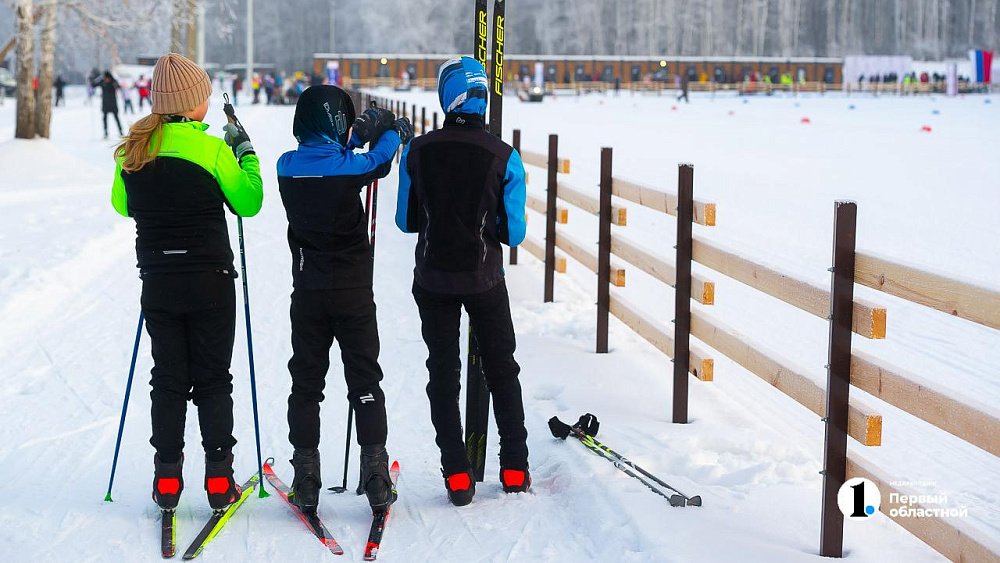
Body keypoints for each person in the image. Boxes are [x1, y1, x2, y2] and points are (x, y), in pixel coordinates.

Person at [110, 52, 263, 512]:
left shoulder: (131, 152)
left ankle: (168, 480)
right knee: (214, 379)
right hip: (211, 281)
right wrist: (246, 154)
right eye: (205, 97)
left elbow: (123, 206)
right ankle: (219, 481)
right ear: (193, 102)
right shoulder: (213, 149)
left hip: (158, 281)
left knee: (169, 380)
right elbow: (249, 202)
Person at [395, 57, 530, 506]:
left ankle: (456, 472)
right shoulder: (504, 156)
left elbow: (406, 221)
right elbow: (514, 233)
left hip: (433, 278)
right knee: (502, 368)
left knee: (443, 372)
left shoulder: (417, 152)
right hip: (484, 277)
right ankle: (514, 467)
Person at [276, 86, 412, 515]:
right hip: (353, 290)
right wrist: (390, 130)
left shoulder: (286, 167)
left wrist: (354, 137)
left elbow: (332, 155)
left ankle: (307, 477)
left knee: (306, 384)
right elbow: (379, 160)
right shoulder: (352, 169)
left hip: (309, 292)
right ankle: (374, 474)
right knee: (365, 380)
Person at [93, 71, 124, 139]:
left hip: (113, 103)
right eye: (105, 78)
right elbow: (93, 85)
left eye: (107, 78)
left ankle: (121, 131)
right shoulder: (102, 82)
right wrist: (96, 78)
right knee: (105, 118)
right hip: (105, 104)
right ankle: (106, 132)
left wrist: (116, 84)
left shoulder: (113, 82)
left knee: (116, 118)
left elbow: (119, 87)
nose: (106, 79)